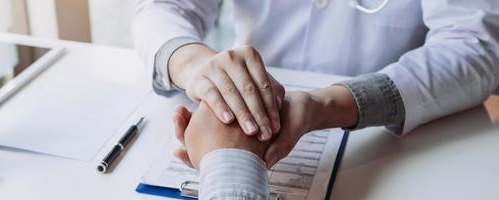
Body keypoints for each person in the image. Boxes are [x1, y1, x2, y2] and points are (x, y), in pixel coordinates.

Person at [132, 0, 499, 198]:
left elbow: (475, 44)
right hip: (238, 107)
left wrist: (329, 104)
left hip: (389, 129)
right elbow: (163, 6)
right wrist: (192, 63)